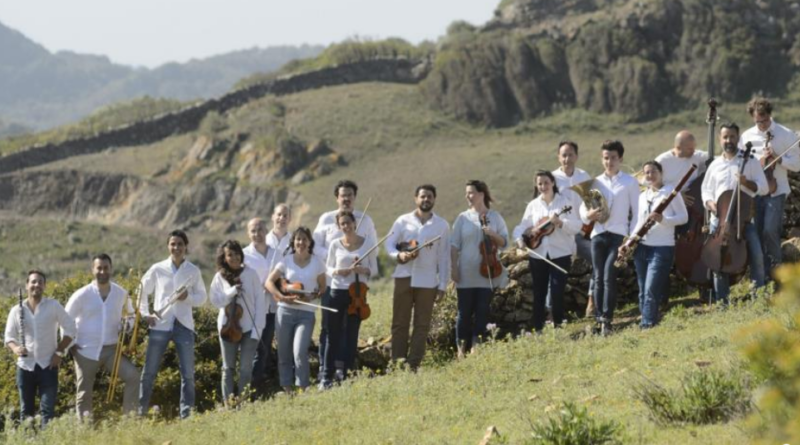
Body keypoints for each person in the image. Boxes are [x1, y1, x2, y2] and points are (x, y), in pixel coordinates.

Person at [139, 230, 207, 419]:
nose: (176, 248)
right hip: (160, 324)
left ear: (186, 247)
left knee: (188, 374)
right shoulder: (157, 268)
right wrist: (145, 314)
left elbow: (202, 297)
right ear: (168, 246)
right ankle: (140, 413)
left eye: (180, 244)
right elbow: (141, 290)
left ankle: (187, 415)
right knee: (149, 372)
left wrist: (187, 297)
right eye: (173, 244)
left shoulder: (193, 270)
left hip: (184, 326)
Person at [313, 180, 377, 378]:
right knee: (328, 327)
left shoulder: (366, 220)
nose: (346, 198)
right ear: (337, 198)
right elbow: (314, 246)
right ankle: (325, 367)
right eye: (343, 195)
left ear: (354, 197)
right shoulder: (326, 219)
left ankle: (343, 368)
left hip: (356, 287)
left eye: (350, 195)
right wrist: (336, 259)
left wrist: (361, 266)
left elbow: (373, 249)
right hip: (331, 283)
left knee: (349, 329)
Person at [66, 254, 140, 418]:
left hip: (111, 350)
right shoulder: (81, 294)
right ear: (92, 270)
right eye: (99, 268)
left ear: (111, 269)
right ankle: (84, 428)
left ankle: (130, 420)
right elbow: (66, 319)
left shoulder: (121, 293)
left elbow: (131, 315)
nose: (102, 271)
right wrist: (70, 345)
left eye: (106, 268)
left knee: (133, 377)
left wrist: (127, 325)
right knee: (84, 392)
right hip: (86, 350)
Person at [384, 184, 450, 369]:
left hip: (428, 280)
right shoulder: (402, 221)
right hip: (403, 276)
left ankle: (413, 365)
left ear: (434, 199)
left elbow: (444, 257)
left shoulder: (442, 225)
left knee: (422, 325)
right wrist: (399, 255)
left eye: (430, 196)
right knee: (399, 323)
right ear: (416, 199)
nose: (426, 199)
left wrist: (442, 285)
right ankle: (398, 363)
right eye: (423, 196)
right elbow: (388, 244)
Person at [701, 123, 768, 303]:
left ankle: (759, 298)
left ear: (738, 138)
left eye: (732, 136)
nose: (728, 140)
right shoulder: (715, 165)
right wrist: (710, 203)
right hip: (719, 221)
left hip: (743, 221)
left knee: (757, 257)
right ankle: (723, 302)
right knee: (717, 261)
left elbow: (763, 187)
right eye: (725, 137)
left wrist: (746, 183)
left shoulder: (750, 161)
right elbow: (706, 190)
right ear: (720, 139)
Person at [580, 140, 639, 336]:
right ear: (602, 159)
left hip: (618, 236)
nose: (609, 162)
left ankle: (607, 319)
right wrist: (587, 216)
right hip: (598, 235)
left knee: (608, 276)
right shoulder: (594, 182)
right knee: (597, 277)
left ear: (620, 158)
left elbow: (637, 212)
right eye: (606, 158)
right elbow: (583, 209)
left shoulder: (630, 182)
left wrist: (630, 238)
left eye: (613, 158)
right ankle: (599, 320)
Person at [4, 270, 75, 428]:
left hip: (48, 366)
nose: (37, 285)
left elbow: (71, 328)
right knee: (26, 412)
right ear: (27, 285)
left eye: (40, 282)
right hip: (25, 367)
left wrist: (59, 352)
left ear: (44, 286)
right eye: (33, 282)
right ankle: (28, 439)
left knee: (48, 412)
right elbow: (8, 337)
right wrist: (16, 349)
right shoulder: (16, 310)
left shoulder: (53, 306)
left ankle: (46, 439)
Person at [620, 162, 687, 328]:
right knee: (643, 290)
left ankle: (647, 324)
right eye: (647, 173)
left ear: (661, 172)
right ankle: (647, 320)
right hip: (641, 247)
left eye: (653, 172)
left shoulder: (671, 192)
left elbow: (683, 217)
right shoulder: (643, 196)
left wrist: (663, 220)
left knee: (651, 289)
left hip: (662, 247)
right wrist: (628, 243)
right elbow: (639, 223)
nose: (650, 175)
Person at [513, 171, 581, 332]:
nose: (543, 186)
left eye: (546, 183)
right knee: (539, 293)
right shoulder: (533, 205)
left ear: (553, 183)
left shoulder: (565, 202)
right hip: (538, 254)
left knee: (557, 292)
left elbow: (576, 226)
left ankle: (558, 327)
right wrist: (519, 239)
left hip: (561, 253)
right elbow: (521, 227)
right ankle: (538, 329)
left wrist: (561, 223)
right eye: (540, 184)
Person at [740, 97, 800, 280]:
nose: (762, 125)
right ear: (753, 118)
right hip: (755, 191)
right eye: (758, 121)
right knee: (758, 233)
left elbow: (797, 164)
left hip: (776, 190)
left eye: (765, 120)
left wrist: (779, 159)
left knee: (770, 231)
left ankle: (777, 275)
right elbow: (741, 162)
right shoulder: (747, 136)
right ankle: (761, 277)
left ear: (770, 115)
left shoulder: (785, 134)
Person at [451, 180, 508, 356]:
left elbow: (504, 243)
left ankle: (476, 348)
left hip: (488, 272)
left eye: (471, 192)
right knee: (464, 313)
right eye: (467, 193)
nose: (467, 196)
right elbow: (454, 246)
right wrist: (454, 269)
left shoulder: (495, 217)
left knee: (483, 311)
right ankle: (460, 351)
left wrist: (492, 233)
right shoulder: (462, 218)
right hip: (466, 273)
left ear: (481, 194)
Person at [265, 227, 326, 392]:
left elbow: (322, 288)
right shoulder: (286, 260)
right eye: (298, 239)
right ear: (293, 242)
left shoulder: (317, 262)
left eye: (304, 239)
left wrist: (311, 297)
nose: (301, 242)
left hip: (306, 314)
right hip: (284, 312)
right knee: (283, 352)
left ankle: (303, 386)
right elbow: (269, 282)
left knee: (299, 351)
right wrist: (281, 296)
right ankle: (287, 388)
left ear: (310, 242)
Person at [322, 210, 378, 387]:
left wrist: (363, 270)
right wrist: (337, 271)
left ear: (354, 223)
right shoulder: (335, 244)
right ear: (339, 227)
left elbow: (375, 269)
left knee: (352, 335)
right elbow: (327, 268)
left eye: (348, 222)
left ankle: (345, 374)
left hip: (358, 295)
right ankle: (326, 376)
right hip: (337, 292)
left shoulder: (367, 243)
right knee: (333, 334)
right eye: (342, 224)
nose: (346, 226)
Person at [210, 240, 266, 405]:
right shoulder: (219, 277)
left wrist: (257, 329)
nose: (234, 258)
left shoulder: (251, 274)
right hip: (228, 328)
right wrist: (231, 292)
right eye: (230, 255)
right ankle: (228, 403)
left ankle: (243, 402)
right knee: (228, 368)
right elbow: (216, 301)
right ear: (224, 258)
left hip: (249, 328)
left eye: (236, 254)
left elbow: (260, 302)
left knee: (245, 368)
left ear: (241, 255)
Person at [244, 204, 292, 395]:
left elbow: (283, 277)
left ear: (266, 231)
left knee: (265, 349)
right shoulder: (244, 255)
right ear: (248, 233)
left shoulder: (276, 254)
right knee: (254, 349)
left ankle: (259, 389)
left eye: (260, 230)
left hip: (273, 307)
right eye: (253, 231)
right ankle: (248, 390)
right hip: (253, 309)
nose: (257, 234)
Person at [551, 141, 594, 318]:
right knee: (555, 271)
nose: (567, 159)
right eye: (564, 155)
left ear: (576, 156)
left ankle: (592, 301)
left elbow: (591, 202)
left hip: (581, 233)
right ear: (558, 157)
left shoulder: (584, 176)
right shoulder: (552, 178)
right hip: (559, 234)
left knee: (598, 260)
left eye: (570, 155)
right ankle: (551, 314)